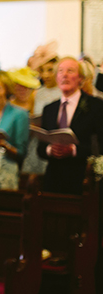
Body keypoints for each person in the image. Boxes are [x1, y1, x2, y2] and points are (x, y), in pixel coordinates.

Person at [37, 57, 103, 194]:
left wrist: (73, 150)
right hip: (53, 179)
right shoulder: (49, 109)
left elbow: (99, 146)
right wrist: (50, 150)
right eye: (60, 71)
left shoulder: (96, 106)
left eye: (70, 71)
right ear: (56, 78)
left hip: (83, 179)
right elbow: (40, 149)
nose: (64, 75)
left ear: (81, 78)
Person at [22, 56, 61, 175]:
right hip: (38, 139)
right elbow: (33, 113)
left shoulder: (62, 92)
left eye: (49, 70)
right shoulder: (37, 93)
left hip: (56, 139)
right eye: (42, 70)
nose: (46, 75)